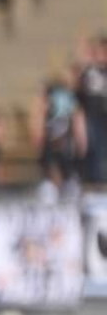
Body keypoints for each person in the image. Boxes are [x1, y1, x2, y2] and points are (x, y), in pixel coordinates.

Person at [34, 77, 86, 201]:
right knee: (51, 186)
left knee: (67, 184)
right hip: (55, 148)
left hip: (64, 149)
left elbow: (78, 120)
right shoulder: (51, 102)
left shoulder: (65, 100)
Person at [73, 33, 107, 185]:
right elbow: (78, 93)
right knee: (92, 148)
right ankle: (93, 180)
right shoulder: (89, 71)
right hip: (92, 115)